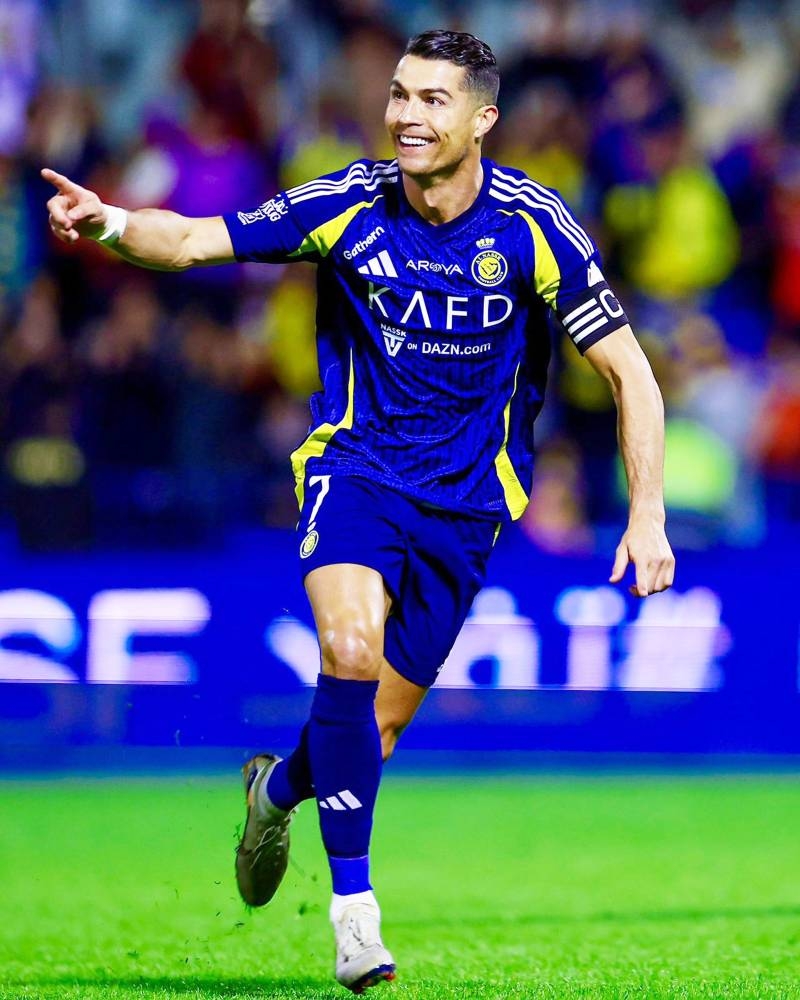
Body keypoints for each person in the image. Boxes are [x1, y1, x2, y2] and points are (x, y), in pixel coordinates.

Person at [43, 29, 675, 995]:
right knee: (347, 653)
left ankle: (274, 790)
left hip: (468, 505)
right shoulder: (348, 202)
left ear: (483, 119)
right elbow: (199, 239)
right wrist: (114, 224)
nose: (407, 116)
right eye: (399, 95)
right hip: (357, 472)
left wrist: (647, 513)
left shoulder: (535, 227)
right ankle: (355, 919)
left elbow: (631, 371)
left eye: (432, 100)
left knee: (368, 735)